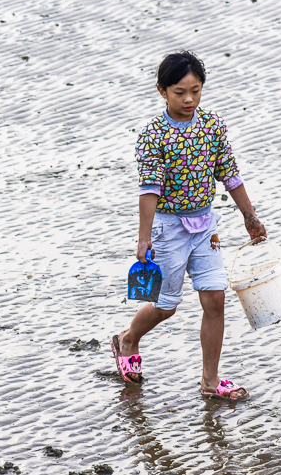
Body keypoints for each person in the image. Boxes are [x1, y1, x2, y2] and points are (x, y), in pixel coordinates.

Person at [110, 50, 267, 401]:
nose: (189, 99)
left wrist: (250, 217)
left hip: (205, 225)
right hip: (168, 228)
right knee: (166, 305)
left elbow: (230, 174)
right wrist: (144, 238)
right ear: (161, 90)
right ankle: (127, 339)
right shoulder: (153, 134)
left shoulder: (212, 125)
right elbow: (149, 189)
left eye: (196, 90)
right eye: (180, 91)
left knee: (215, 299)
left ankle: (210, 382)